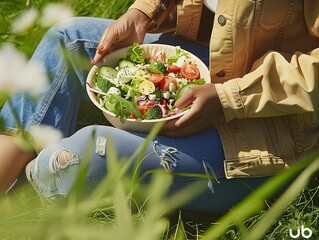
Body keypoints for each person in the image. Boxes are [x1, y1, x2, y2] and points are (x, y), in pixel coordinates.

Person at [1, 0, 319, 213]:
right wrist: (146, 12)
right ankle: (8, 168)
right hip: (207, 55)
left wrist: (228, 98)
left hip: (269, 122)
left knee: (90, 151)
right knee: (65, 39)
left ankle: (22, 203)